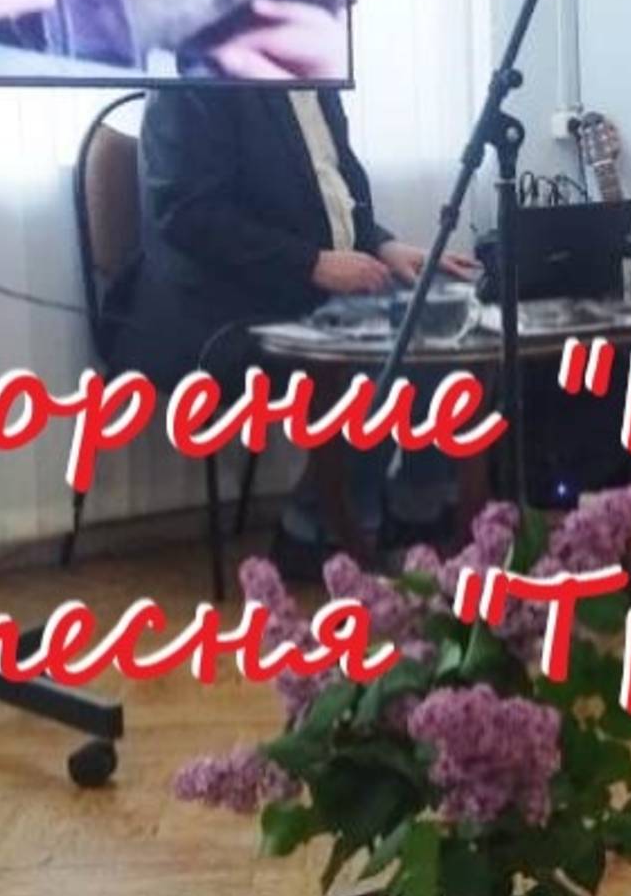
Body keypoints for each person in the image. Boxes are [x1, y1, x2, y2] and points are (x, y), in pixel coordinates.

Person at [121, 46, 480, 574]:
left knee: (453, 317)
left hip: (302, 288)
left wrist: (382, 246)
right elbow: (188, 215)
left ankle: (419, 507)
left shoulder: (317, 74)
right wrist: (311, 263)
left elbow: (329, 196)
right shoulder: (197, 72)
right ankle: (316, 530)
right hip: (220, 308)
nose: (350, 5)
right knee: (383, 347)